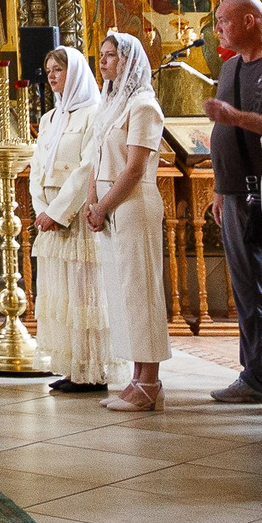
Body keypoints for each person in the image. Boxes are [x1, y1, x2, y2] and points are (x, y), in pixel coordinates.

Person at [201, 0, 262, 406]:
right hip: (235, 192)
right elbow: (225, 132)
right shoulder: (229, 66)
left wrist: (235, 119)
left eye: (223, 21)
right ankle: (256, 374)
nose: (217, 28)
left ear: (252, 21)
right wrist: (220, 187)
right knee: (247, 288)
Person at [85, 29, 171, 411]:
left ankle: (150, 381)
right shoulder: (110, 106)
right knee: (121, 295)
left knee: (142, 294)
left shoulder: (143, 106)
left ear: (129, 60)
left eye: (110, 55)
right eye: (101, 55)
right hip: (109, 206)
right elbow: (96, 160)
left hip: (134, 206)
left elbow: (135, 167)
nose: (103, 62)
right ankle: (136, 378)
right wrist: (92, 202)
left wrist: (103, 206)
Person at [30, 46, 110, 394]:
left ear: (74, 72)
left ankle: (93, 370)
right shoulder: (50, 117)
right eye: (48, 69)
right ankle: (72, 366)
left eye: (58, 69)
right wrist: (41, 209)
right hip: (50, 214)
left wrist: (59, 212)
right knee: (60, 293)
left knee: (83, 292)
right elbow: (37, 167)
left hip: (76, 217)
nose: (52, 75)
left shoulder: (94, 114)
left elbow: (87, 168)